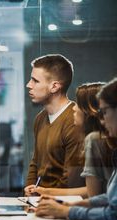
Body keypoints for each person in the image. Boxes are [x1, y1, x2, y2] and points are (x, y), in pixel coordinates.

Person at [36, 78, 117, 220]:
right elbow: (108, 198)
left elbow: (112, 211)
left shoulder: (93, 140)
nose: (103, 118)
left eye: (105, 111)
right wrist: (69, 203)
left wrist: (67, 211)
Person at [30, 82, 114, 197]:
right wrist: (45, 192)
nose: (74, 108)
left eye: (78, 104)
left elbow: (93, 196)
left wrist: (60, 207)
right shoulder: (96, 140)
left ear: (89, 111)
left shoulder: (94, 140)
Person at [24, 54, 84, 197]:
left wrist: (44, 196)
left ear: (54, 86)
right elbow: (36, 161)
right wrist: (29, 190)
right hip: (39, 201)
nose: (28, 85)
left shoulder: (75, 120)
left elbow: (71, 180)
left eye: (35, 81)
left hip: (61, 204)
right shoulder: (40, 118)